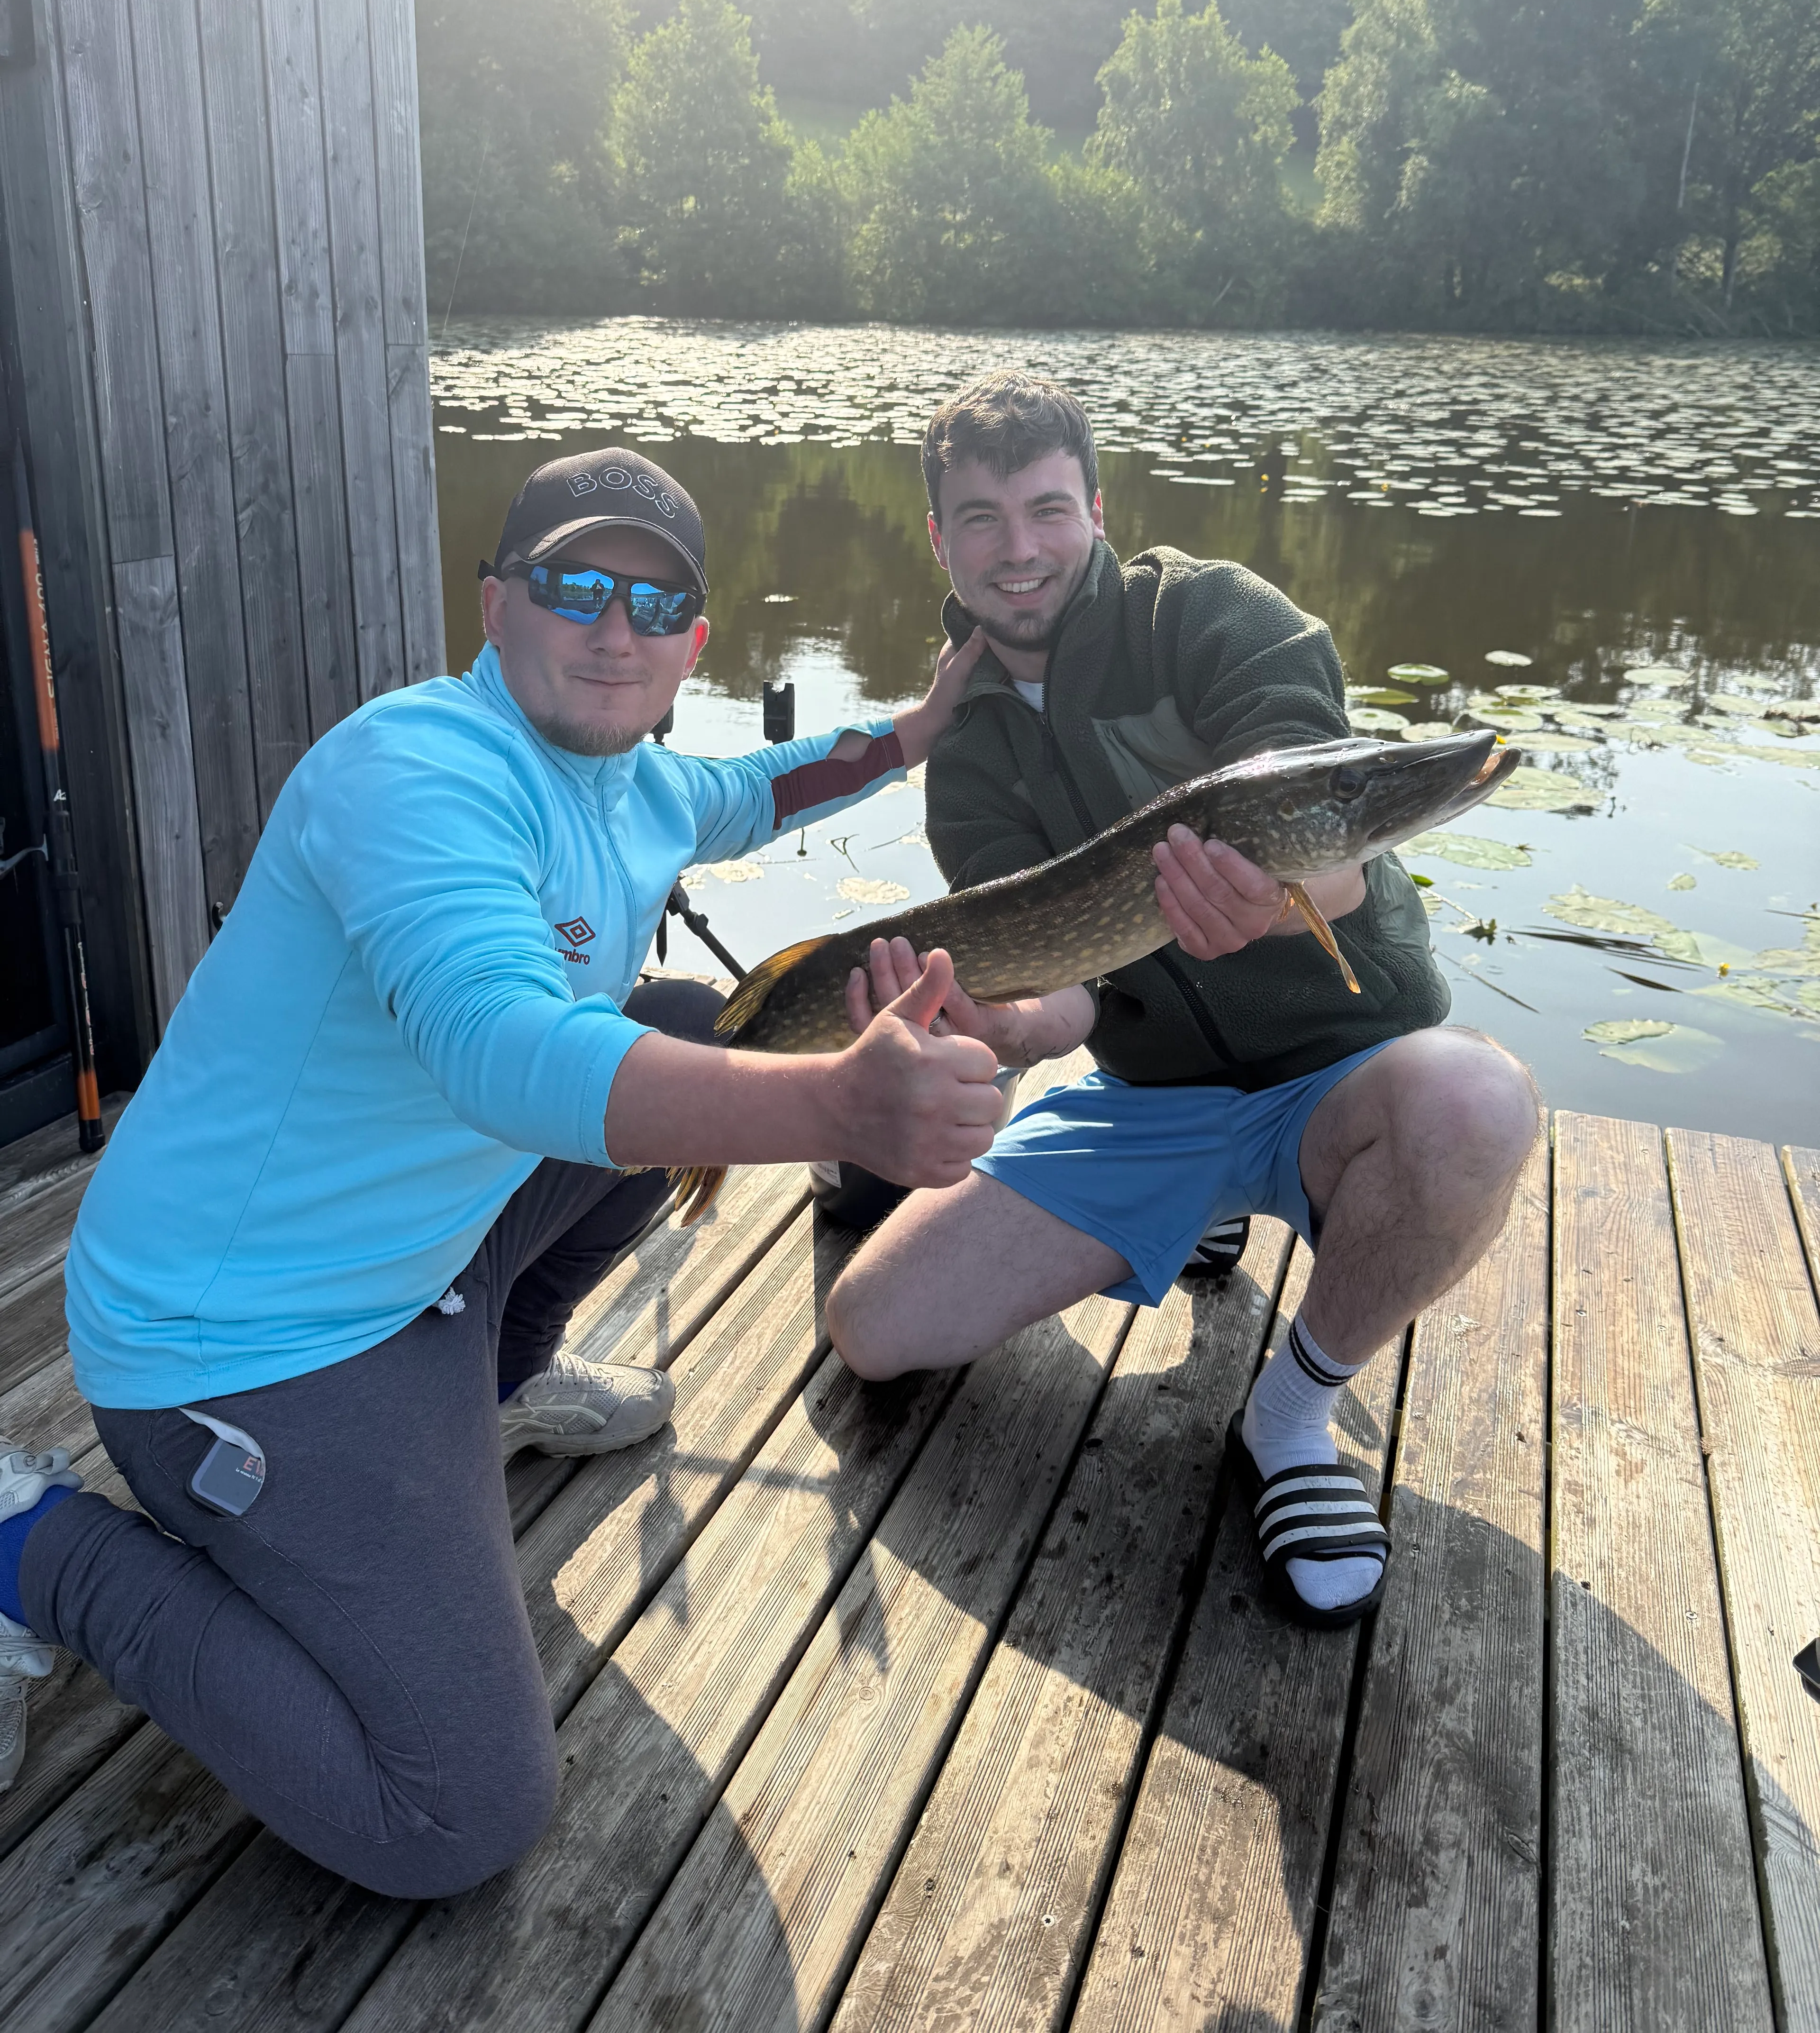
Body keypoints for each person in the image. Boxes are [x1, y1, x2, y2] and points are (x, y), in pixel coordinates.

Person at [0, 447, 1003, 1893]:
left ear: (695, 646)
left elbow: (756, 787)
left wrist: (909, 733)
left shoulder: (637, 777)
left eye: (658, 605)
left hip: (409, 1257)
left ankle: (498, 1383)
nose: (616, 628)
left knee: (670, 1025)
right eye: (575, 586)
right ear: (496, 606)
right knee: (453, 1818)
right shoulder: (415, 769)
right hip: (235, 1342)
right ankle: (39, 1547)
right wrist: (837, 1106)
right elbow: (499, 1049)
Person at [823, 372, 1540, 1630]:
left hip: (1342, 1073)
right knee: (874, 1327)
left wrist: (1279, 896)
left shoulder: (1210, 616)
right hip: (1148, 1090)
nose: (1021, 549)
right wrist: (1004, 1028)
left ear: (1095, 507)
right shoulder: (971, 751)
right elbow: (1062, 1000)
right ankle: (1199, 1205)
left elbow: (1326, 814)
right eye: (980, 520)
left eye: (1047, 508)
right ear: (940, 540)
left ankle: (1294, 1412)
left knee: (1477, 1103)